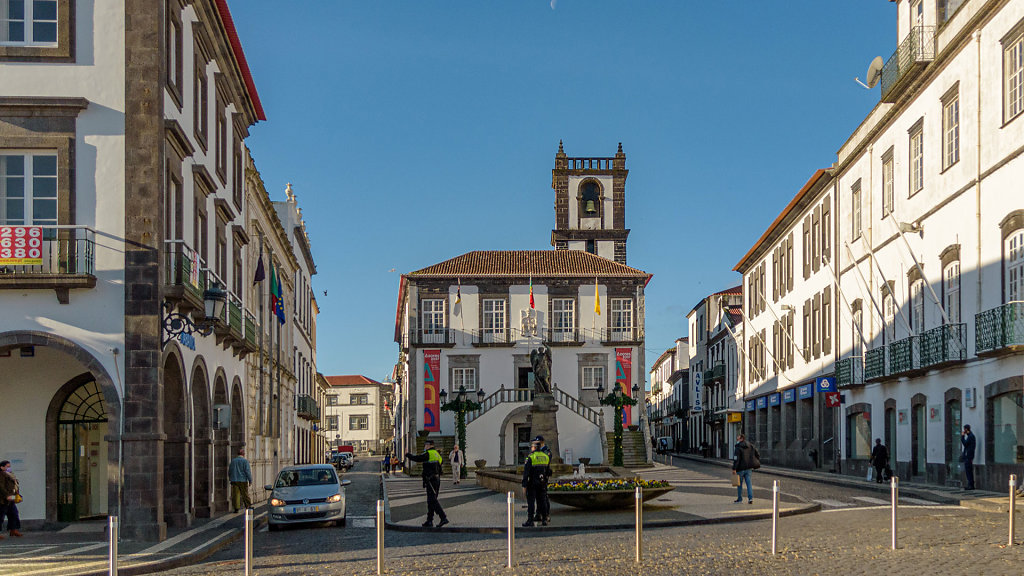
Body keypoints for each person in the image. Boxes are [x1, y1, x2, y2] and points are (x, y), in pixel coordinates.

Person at [406, 440, 449, 527]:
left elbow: (417, 458)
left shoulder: (428, 453)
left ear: (429, 445)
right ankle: (429, 520)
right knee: (431, 501)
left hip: (430, 479)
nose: (424, 446)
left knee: (432, 500)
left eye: (425, 445)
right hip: (437, 479)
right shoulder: (437, 454)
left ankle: (443, 517)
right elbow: (441, 463)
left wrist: (408, 455)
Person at [522, 439, 551, 526]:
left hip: (532, 483)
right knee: (542, 501)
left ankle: (530, 520)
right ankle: (544, 519)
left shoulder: (531, 457)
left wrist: (524, 485)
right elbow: (548, 471)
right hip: (542, 483)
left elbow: (526, 473)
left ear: (534, 448)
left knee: (531, 502)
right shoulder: (546, 457)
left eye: (532, 447)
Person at [732, 433, 759, 504]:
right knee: (749, 484)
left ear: (741, 439)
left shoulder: (738, 447)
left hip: (740, 469)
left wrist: (734, 468)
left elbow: (736, 459)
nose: (737, 439)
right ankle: (750, 499)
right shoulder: (750, 445)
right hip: (749, 468)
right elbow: (757, 454)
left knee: (739, 484)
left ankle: (740, 499)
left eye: (738, 438)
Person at [0, 460, 22, 538]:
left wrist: (17, 494)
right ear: (2, 467)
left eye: (9, 466)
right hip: (3, 499)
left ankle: (13, 529)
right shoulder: (1, 475)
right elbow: (1, 487)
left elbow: (14, 486)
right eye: (7, 466)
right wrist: (7, 495)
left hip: (11, 498)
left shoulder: (10, 474)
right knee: (1, 516)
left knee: (14, 514)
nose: (9, 468)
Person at [228, 448, 252, 513]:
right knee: (245, 494)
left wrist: (230, 478)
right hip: (243, 480)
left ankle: (236, 508)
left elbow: (230, 470)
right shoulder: (245, 461)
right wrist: (250, 480)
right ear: (243, 454)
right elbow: (247, 471)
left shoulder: (233, 461)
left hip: (234, 480)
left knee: (236, 494)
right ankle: (248, 505)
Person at [961, 424, 977, 490]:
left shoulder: (971, 436)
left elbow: (965, 444)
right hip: (968, 456)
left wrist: (962, 437)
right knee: (968, 471)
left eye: (964, 429)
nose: (963, 431)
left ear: (966, 429)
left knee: (968, 471)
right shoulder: (970, 436)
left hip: (968, 456)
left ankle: (971, 485)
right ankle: (970, 484)